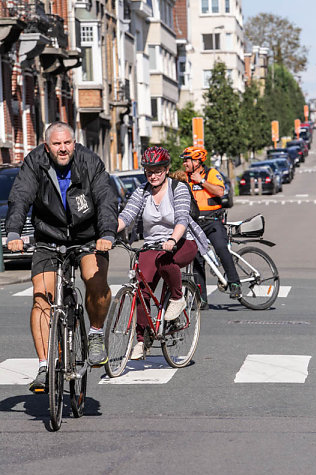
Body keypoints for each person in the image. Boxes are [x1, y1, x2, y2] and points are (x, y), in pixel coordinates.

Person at [6, 121, 118, 392]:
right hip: (48, 237)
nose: (63, 148)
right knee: (41, 298)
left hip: (88, 236)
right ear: (47, 146)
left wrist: (107, 233)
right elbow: (20, 196)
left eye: (67, 142)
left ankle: (94, 333)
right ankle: (45, 366)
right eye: (56, 144)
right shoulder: (35, 162)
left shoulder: (90, 161)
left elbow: (105, 198)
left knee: (97, 283)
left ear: (74, 142)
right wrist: (13, 232)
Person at [117, 146, 208, 360]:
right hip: (152, 244)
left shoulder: (179, 189)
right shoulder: (142, 191)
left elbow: (182, 219)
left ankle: (177, 298)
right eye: (149, 170)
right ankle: (142, 340)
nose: (153, 175)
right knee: (141, 290)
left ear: (166, 169)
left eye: (158, 170)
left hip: (182, 240)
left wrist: (172, 239)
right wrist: (107, 232)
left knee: (167, 260)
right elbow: (127, 215)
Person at [180, 146, 241, 309]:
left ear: (197, 161)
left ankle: (235, 283)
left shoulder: (211, 173)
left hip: (212, 220)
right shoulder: (184, 178)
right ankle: (202, 299)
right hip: (194, 223)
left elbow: (220, 192)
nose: (184, 163)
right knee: (197, 260)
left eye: (187, 160)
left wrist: (201, 181)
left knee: (221, 247)